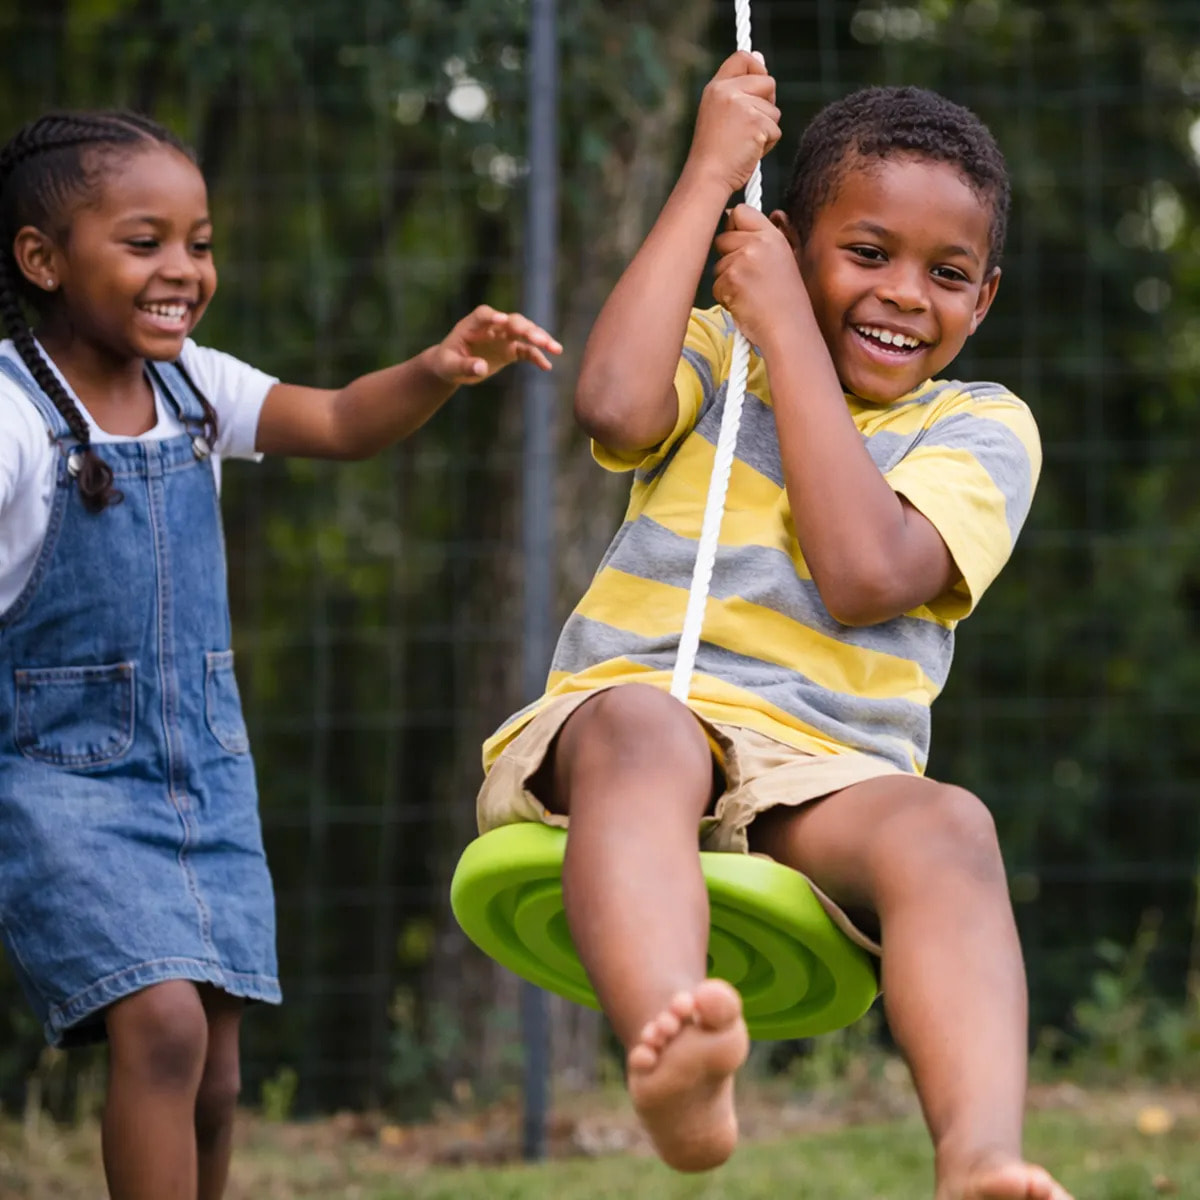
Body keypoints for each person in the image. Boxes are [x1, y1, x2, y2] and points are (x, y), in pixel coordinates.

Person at [477, 51, 1071, 1199]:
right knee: (648, 730)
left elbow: (864, 572)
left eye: (948, 273)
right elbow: (611, 404)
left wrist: (794, 333)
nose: (906, 292)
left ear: (984, 298)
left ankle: (981, 1157)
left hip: (822, 781)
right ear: (791, 244)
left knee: (952, 826)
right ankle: (678, 1051)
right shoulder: (720, 351)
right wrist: (708, 178)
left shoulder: (984, 428)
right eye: (867, 253)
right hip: (639, 728)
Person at [0, 109, 560, 1200]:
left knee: (212, 1067)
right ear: (42, 259)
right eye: (145, 241)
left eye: (200, 243)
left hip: (205, 770)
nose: (184, 270)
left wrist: (439, 368)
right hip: (63, 785)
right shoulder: (14, 421)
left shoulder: (192, 386)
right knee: (158, 1027)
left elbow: (344, 420)